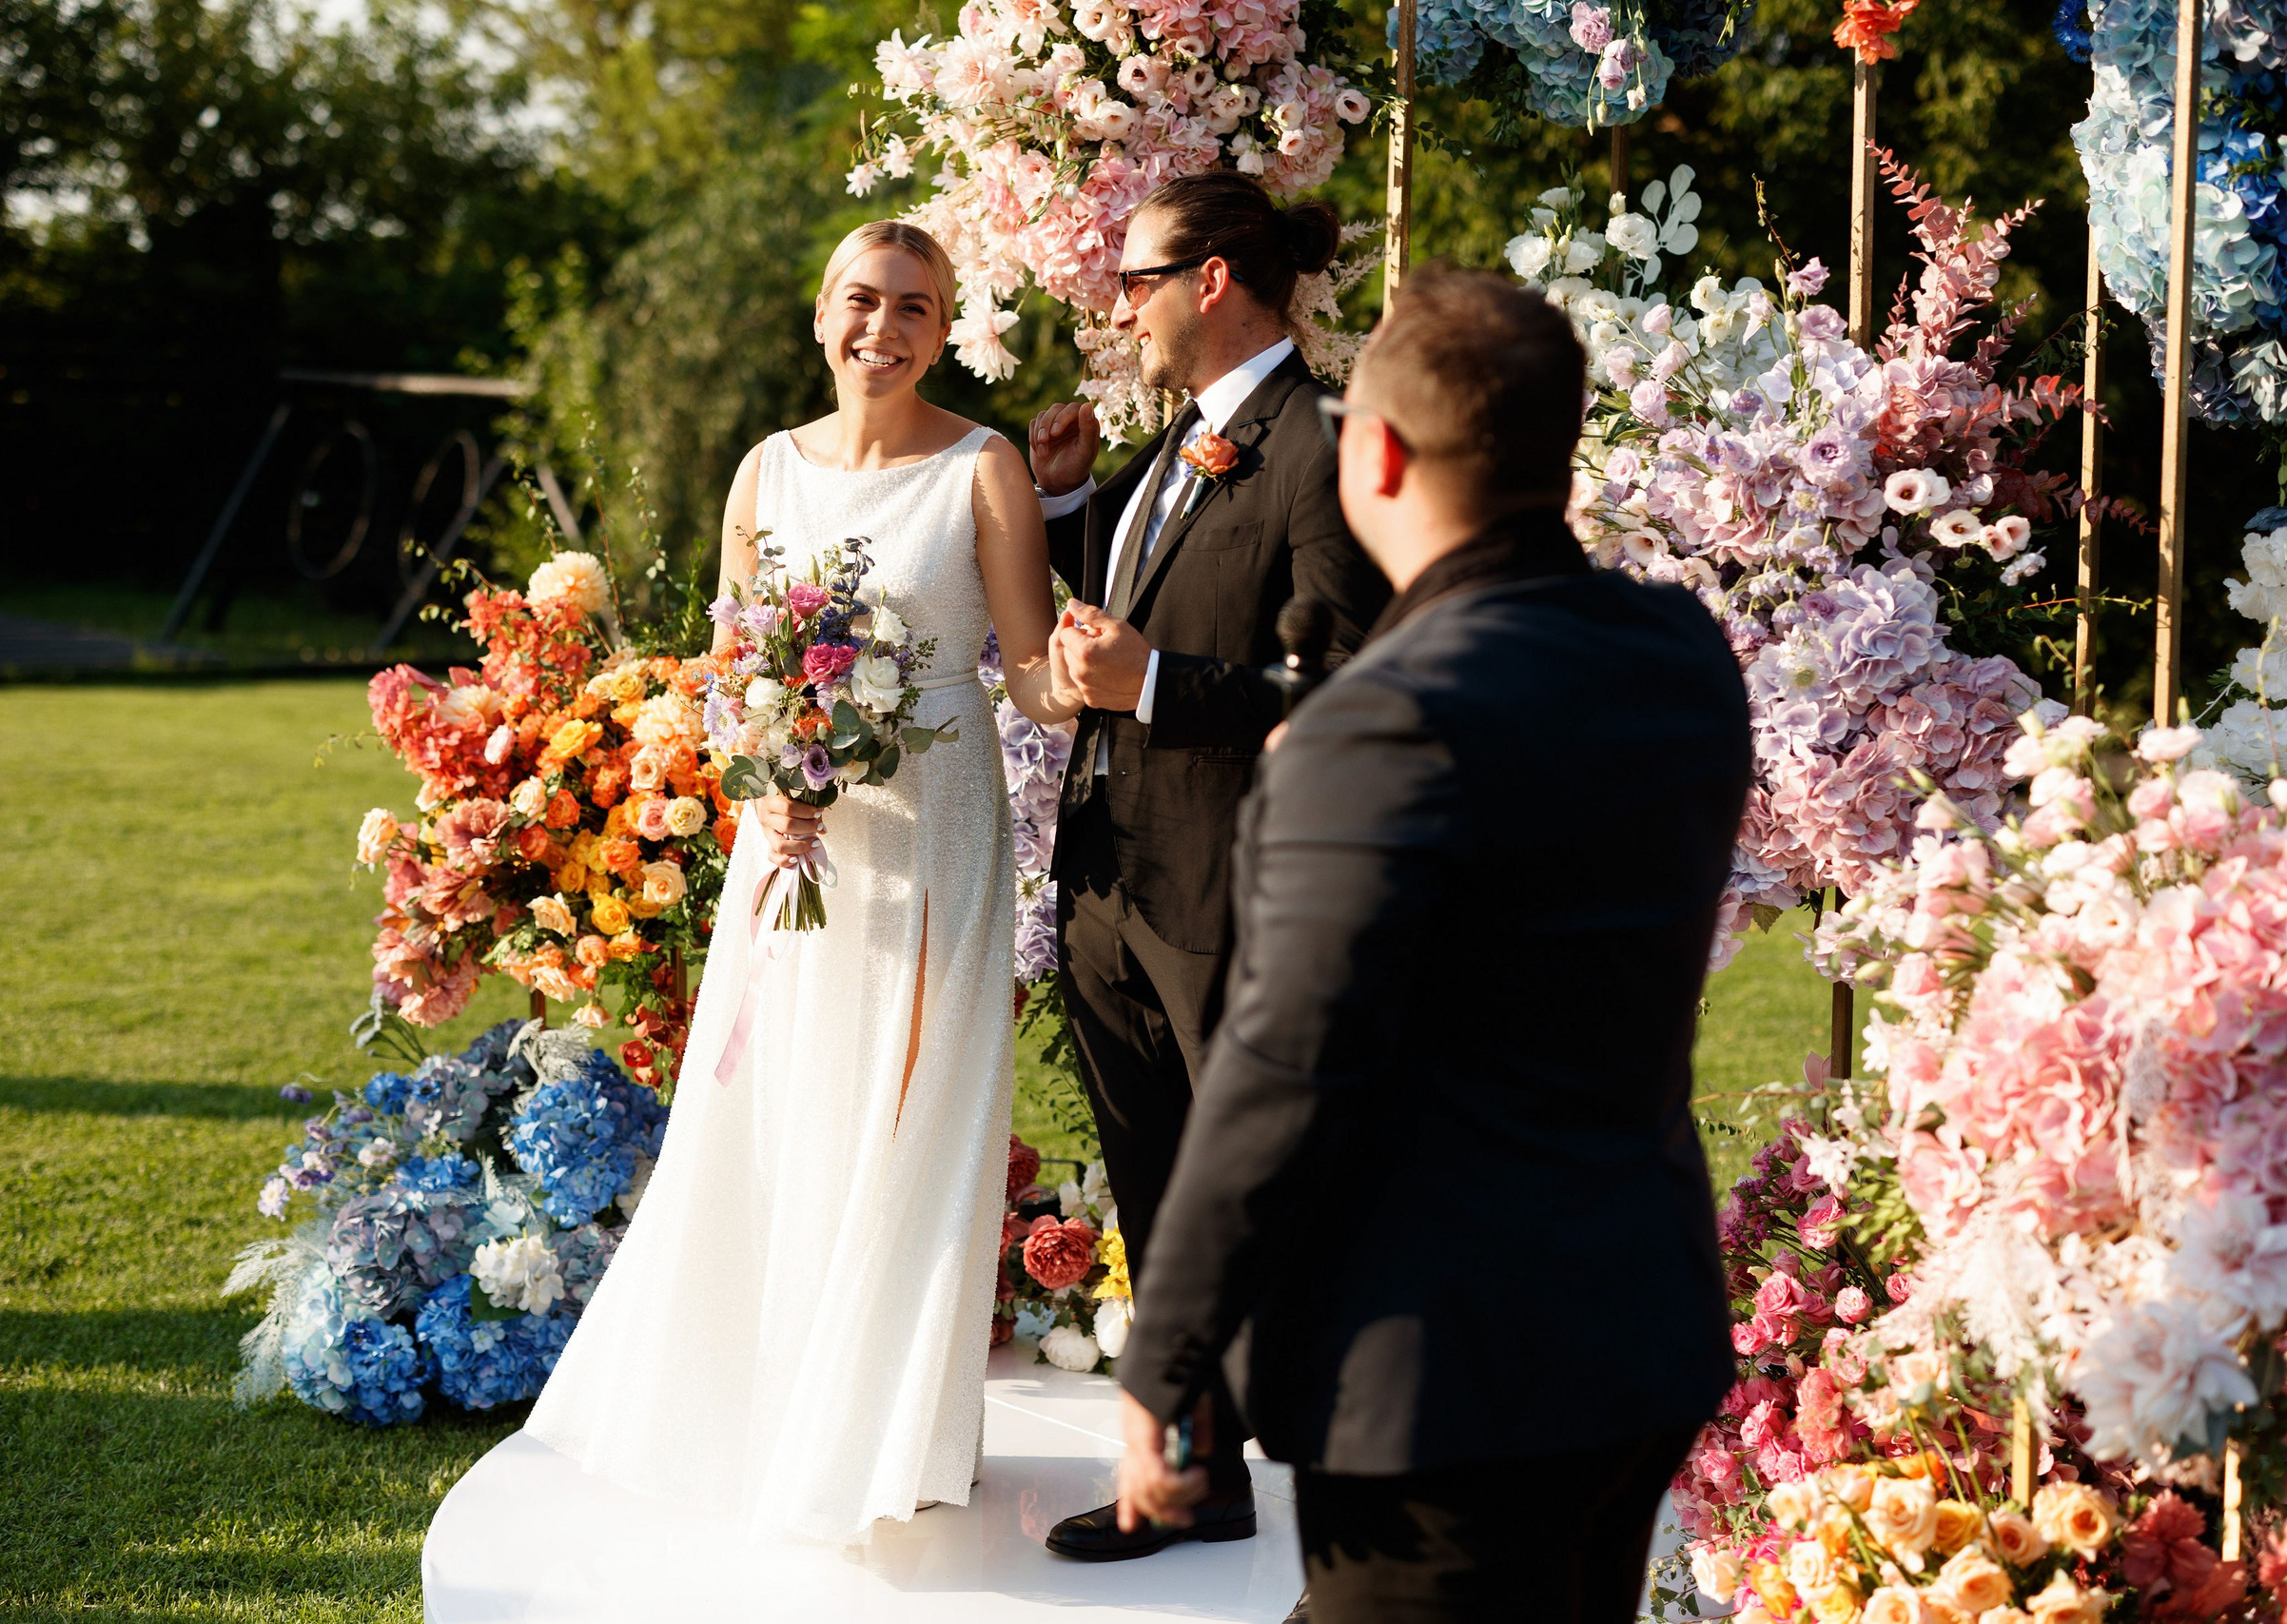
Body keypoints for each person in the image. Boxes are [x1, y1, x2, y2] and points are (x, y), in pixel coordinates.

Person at [1106, 266, 1750, 1622]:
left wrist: (1166, 1362)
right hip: (1636, 1323)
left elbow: (1284, 1065)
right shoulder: (1681, 657)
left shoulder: (1378, 724)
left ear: (1377, 451)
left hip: (1443, 1374)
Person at [520, 221, 1084, 1544]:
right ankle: (772, 1406)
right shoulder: (765, 471)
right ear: (820, 312)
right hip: (794, 844)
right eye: (861, 301)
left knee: (910, 1116)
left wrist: (1117, 612)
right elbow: (729, 675)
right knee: (788, 1107)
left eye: (916, 308)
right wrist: (758, 777)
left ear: (945, 330)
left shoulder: (983, 467)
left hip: (934, 829)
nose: (882, 330)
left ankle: (889, 1435)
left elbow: (1039, 676)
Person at [1025, 170, 1391, 1562]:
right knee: (1155, 1188)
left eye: (1136, 278)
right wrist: (1068, 509)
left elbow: (1351, 679)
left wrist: (1161, 683)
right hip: (1113, 880)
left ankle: (1376, 1506)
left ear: (1214, 278)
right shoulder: (1172, 443)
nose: (1121, 304)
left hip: (1231, 891)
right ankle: (1192, 1479)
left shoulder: (1318, 444)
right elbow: (1122, 606)